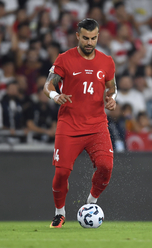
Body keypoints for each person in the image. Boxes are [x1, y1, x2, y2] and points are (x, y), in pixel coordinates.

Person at [43, 18, 117, 228]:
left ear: (97, 37)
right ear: (78, 36)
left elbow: (112, 88)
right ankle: (60, 213)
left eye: (93, 38)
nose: (89, 42)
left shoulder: (107, 61)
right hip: (69, 125)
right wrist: (55, 96)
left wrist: (112, 99)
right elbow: (48, 85)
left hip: (97, 126)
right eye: (85, 37)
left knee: (106, 166)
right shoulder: (64, 59)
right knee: (62, 173)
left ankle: (91, 203)